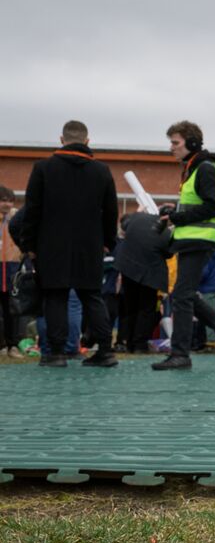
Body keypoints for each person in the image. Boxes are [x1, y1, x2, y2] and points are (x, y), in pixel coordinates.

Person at [18, 122, 120, 367]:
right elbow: (111, 212)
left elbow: (32, 211)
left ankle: (55, 354)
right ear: (87, 141)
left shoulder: (43, 168)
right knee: (92, 296)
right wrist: (108, 242)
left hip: (51, 245)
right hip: (90, 245)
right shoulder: (102, 171)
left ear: (62, 139)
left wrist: (28, 245)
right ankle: (105, 352)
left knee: (55, 297)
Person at [152, 121, 215, 369]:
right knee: (183, 295)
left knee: (182, 296)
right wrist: (175, 211)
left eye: (175, 143)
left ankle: (181, 354)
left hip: (199, 240)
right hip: (193, 240)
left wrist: (177, 217)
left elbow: (214, 206)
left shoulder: (204, 168)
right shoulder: (195, 169)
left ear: (191, 143)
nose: (171, 148)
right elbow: (201, 205)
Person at [114, 211, 172, 353]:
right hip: (149, 274)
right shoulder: (165, 232)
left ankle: (129, 343)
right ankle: (139, 344)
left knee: (130, 308)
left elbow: (125, 227)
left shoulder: (138, 217)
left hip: (128, 268)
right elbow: (169, 252)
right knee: (146, 309)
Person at [0, 186, 21, 358]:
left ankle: (12, 345)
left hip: (12, 268)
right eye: (3, 200)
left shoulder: (16, 219)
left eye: (9, 200)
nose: (6, 204)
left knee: (12, 310)